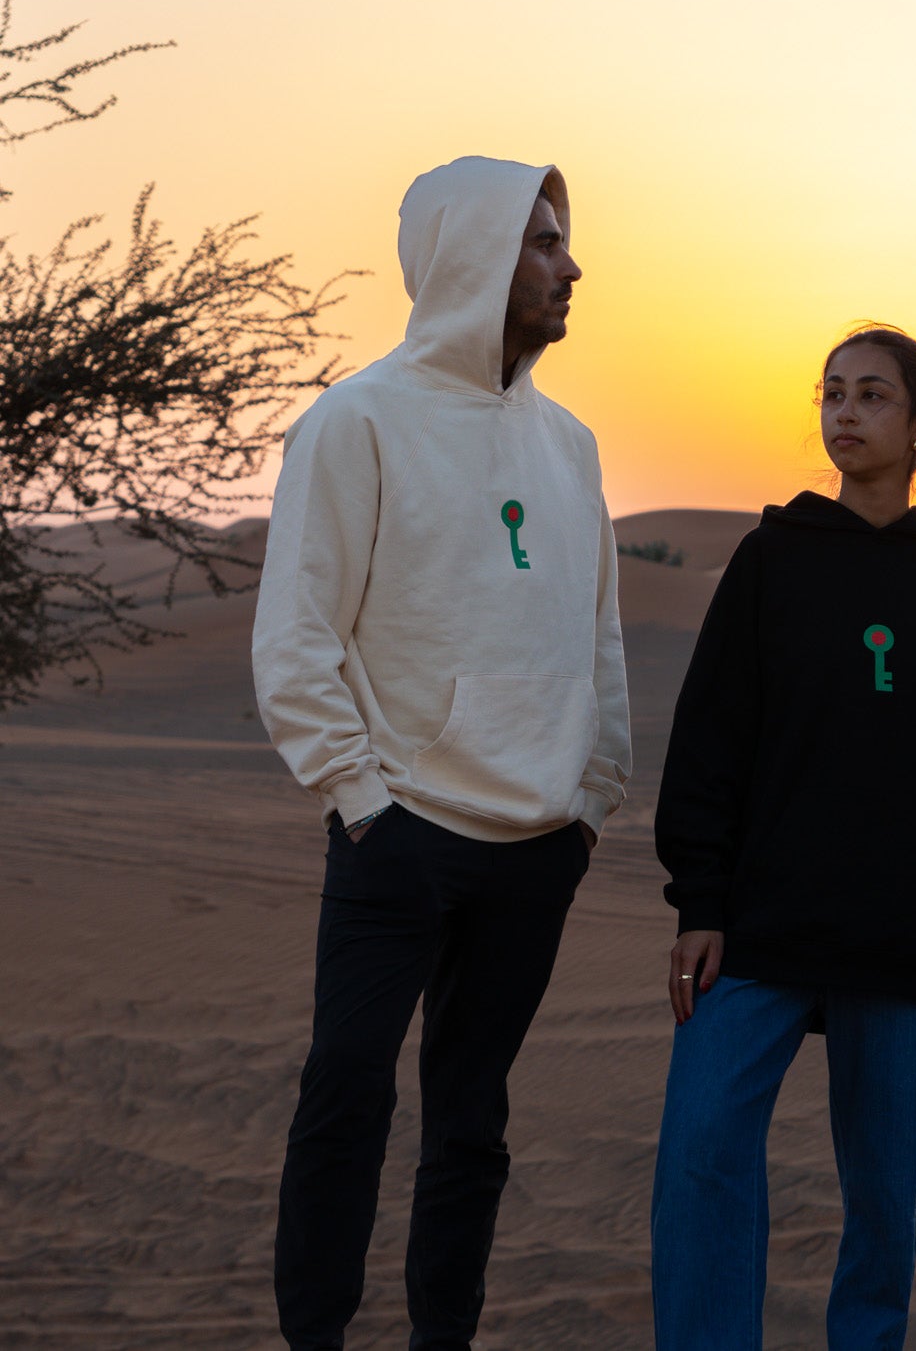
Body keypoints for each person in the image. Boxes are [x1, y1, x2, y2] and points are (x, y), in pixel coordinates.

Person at [252, 156, 630, 1351]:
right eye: (544, 242)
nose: (572, 267)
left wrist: (589, 797)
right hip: (401, 834)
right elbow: (296, 638)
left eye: (564, 243)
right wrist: (361, 800)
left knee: (472, 1123)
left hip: (535, 849)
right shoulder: (359, 421)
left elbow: (598, 637)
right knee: (345, 1103)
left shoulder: (569, 444)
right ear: (472, 253)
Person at [649, 325, 916, 1351]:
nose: (845, 414)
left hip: (907, 938)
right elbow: (710, 737)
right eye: (831, 394)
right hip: (763, 926)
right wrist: (701, 904)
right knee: (700, 1159)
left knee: (885, 1201)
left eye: (870, 396)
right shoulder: (772, 558)